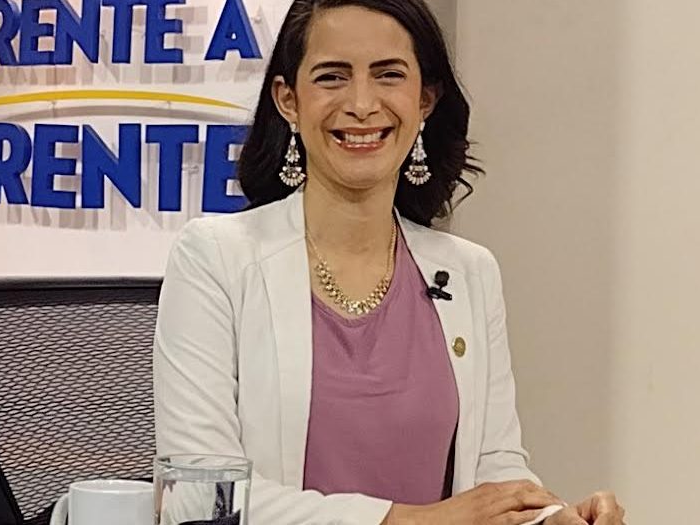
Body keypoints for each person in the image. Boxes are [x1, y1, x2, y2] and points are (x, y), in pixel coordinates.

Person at [154, 1, 626, 524]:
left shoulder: (470, 271)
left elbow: (494, 472)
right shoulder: (215, 258)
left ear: (425, 99)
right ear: (288, 100)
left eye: (388, 75)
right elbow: (198, 496)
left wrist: (551, 518)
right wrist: (411, 521)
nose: (361, 104)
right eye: (332, 76)